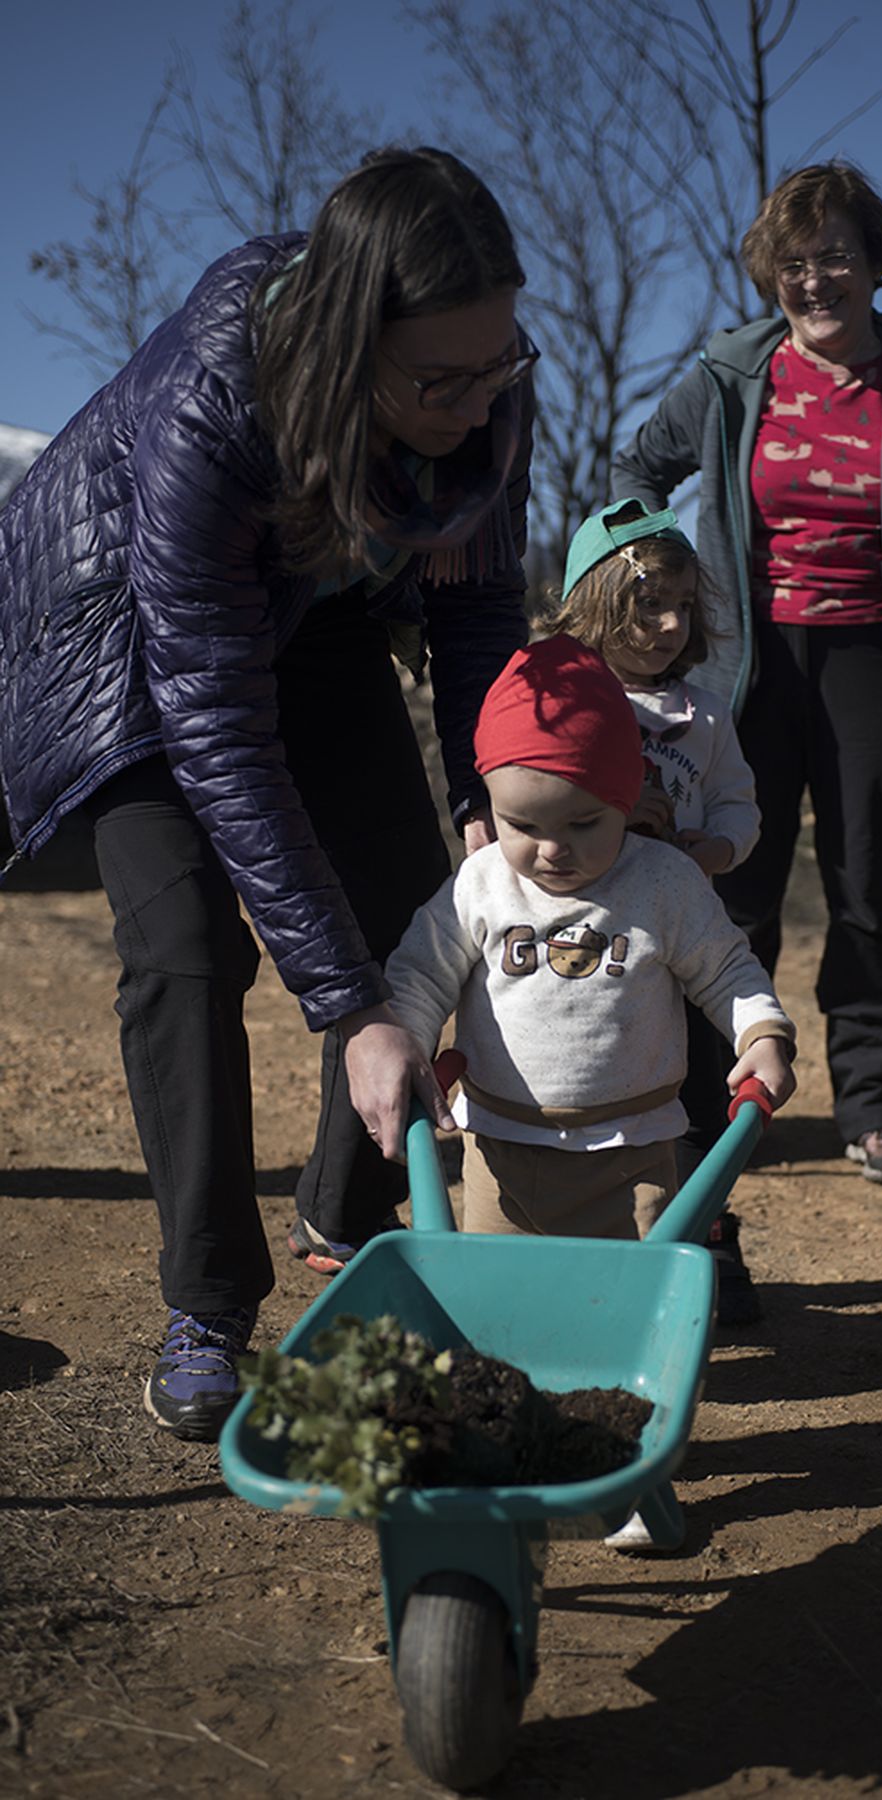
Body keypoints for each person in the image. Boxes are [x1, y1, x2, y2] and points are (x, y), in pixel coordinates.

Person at [0, 146, 537, 1442]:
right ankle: (207, 1303)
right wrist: (348, 1007)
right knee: (185, 947)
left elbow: (477, 622)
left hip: (322, 609)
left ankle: (346, 1214)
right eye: (441, 380)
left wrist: (492, 800)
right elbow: (219, 723)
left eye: (500, 364)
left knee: (424, 911)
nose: (479, 403)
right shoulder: (215, 401)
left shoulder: (481, 384)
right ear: (351, 347)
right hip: (126, 640)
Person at [611, 161, 882, 1188]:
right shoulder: (731, 374)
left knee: (872, 885)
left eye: (834, 256)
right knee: (733, 882)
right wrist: (653, 584)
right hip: (747, 666)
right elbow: (637, 471)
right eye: (792, 263)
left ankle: (874, 1103)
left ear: (877, 262)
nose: (815, 280)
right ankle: (719, 1103)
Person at [383, 633, 796, 1240]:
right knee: (503, 1302)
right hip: (502, 1152)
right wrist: (410, 1040)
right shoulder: (484, 882)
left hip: (635, 1154)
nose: (552, 849)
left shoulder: (662, 881)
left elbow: (726, 968)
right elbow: (422, 972)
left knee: (625, 1301)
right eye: (521, 823)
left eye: (584, 823)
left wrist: (760, 1033)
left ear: (627, 799)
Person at [546, 497, 766, 1320]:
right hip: (576, 946)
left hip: (677, 942)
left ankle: (707, 1239)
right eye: (648, 604)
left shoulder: (701, 715)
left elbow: (741, 809)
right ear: (595, 600)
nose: (669, 624)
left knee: (697, 1095)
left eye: (682, 606)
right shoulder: (559, 698)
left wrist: (707, 853)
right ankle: (571, 1238)